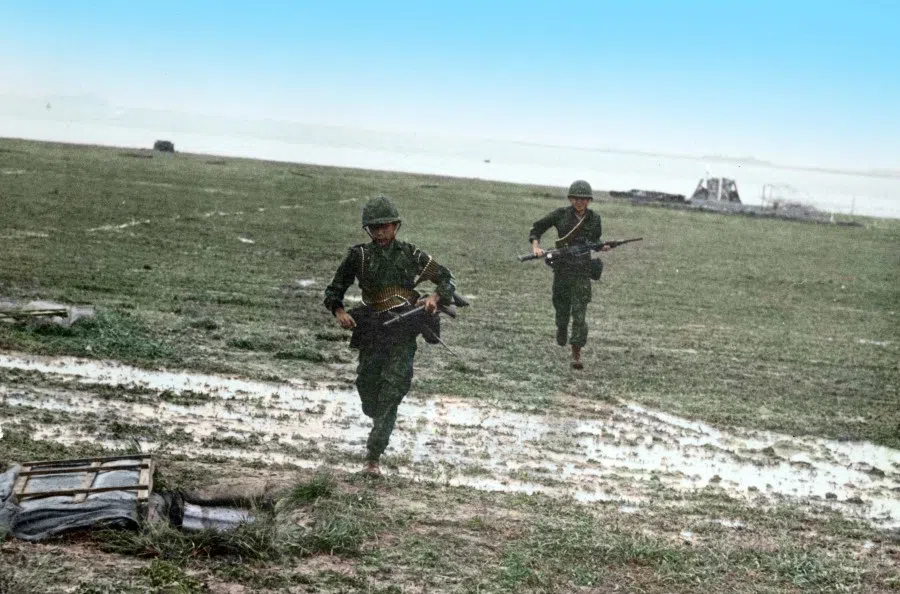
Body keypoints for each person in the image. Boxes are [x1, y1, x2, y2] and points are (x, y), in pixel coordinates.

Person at [323, 194, 459, 476]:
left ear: (396, 226)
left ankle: (373, 457)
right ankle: (379, 419)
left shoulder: (412, 255)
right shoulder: (358, 256)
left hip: (403, 332)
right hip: (372, 330)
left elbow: (447, 277)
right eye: (375, 227)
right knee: (367, 388)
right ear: (368, 230)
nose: (381, 232)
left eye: (386, 226)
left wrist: (434, 296)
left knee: (392, 390)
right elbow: (334, 289)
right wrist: (340, 312)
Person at [528, 180, 609, 369]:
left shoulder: (594, 219)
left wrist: (602, 246)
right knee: (561, 308)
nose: (580, 202)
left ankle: (576, 354)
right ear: (571, 199)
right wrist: (536, 247)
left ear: (589, 200)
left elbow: (594, 240)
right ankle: (561, 328)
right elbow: (537, 227)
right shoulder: (560, 215)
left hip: (582, 271)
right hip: (562, 270)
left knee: (580, 314)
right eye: (576, 198)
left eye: (584, 199)